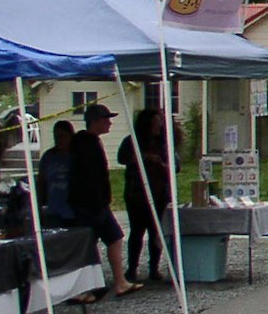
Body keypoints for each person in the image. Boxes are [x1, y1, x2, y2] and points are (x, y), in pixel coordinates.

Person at [67, 102, 135, 296]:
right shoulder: (85, 144)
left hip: (98, 203)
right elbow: (88, 177)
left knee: (115, 237)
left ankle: (119, 281)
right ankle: (84, 288)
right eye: (106, 119)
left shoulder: (91, 141)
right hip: (89, 204)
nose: (109, 124)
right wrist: (96, 201)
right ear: (95, 121)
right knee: (87, 246)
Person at [117, 108, 173, 287]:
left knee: (155, 232)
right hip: (136, 193)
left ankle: (154, 268)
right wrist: (144, 157)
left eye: (161, 122)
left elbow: (175, 166)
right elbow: (122, 158)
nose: (159, 126)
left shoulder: (164, 143)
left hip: (159, 194)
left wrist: (163, 164)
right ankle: (132, 267)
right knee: (136, 232)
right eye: (156, 122)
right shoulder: (132, 141)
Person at [36, 120, 75, 226]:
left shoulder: (77, 156)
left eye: (62, 136)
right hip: (54, 211)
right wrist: (38, 207)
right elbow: (41, 183)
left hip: (74, 211)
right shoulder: (48, 157)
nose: (59, 140)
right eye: (56, 136)